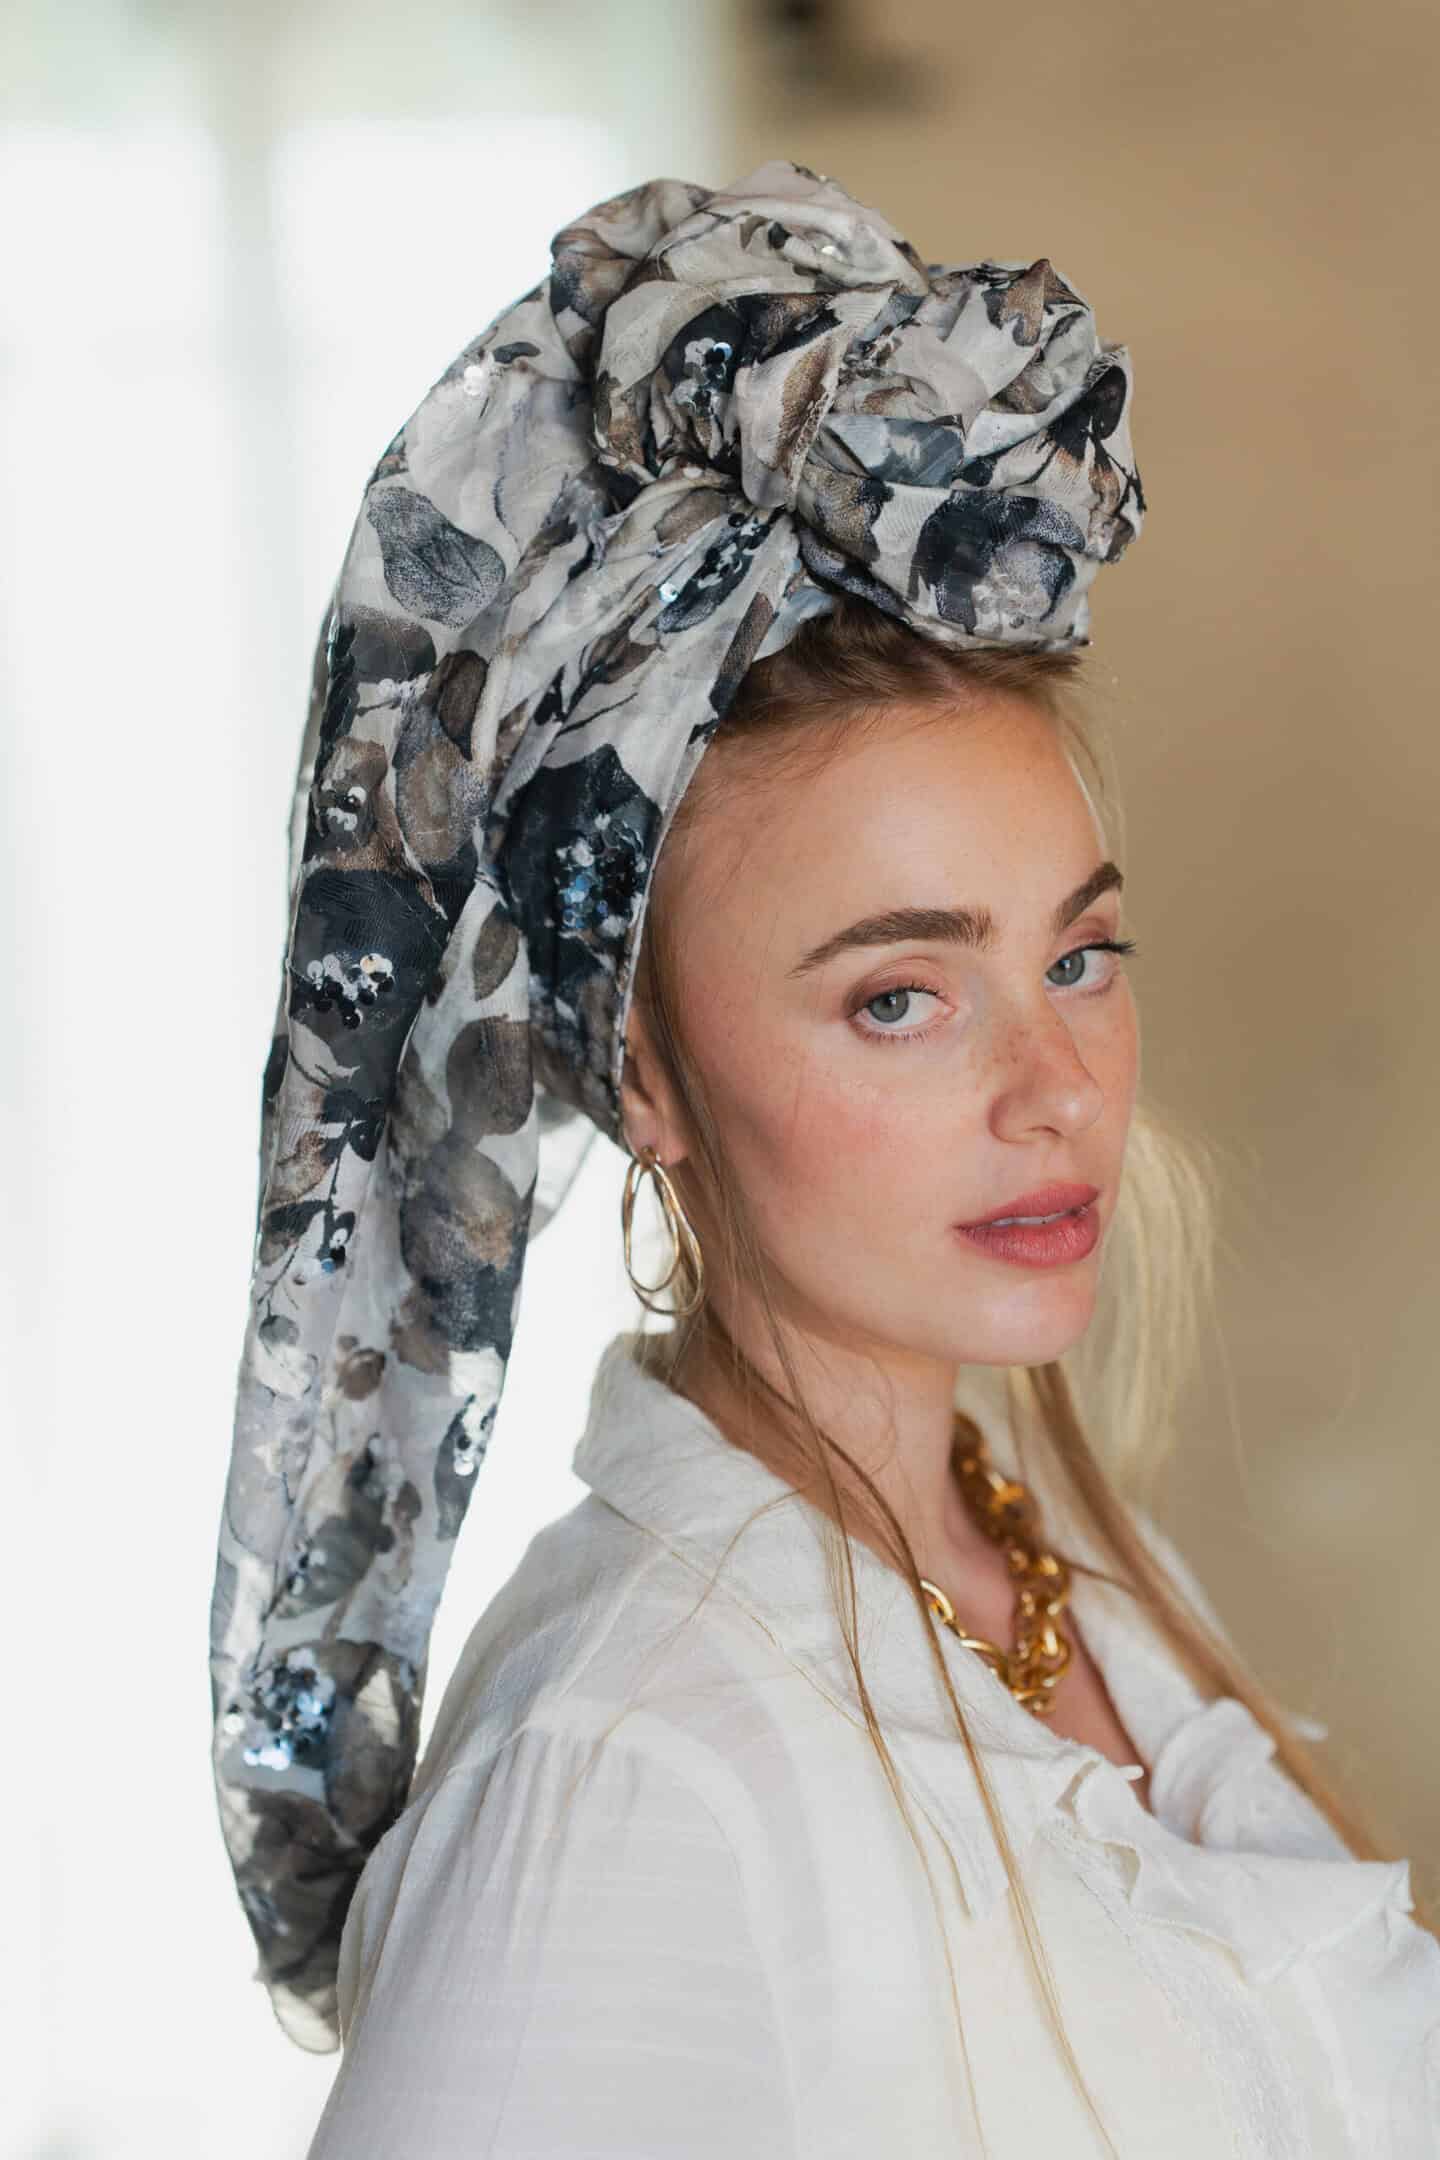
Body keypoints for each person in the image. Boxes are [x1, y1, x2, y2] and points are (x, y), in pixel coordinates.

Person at [208, 162, 1440, 2154]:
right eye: (900, 997)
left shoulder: (1065, 1591)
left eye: (1080, 957)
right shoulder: (630, 1768)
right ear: (644, 1075)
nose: (1055, 1089)